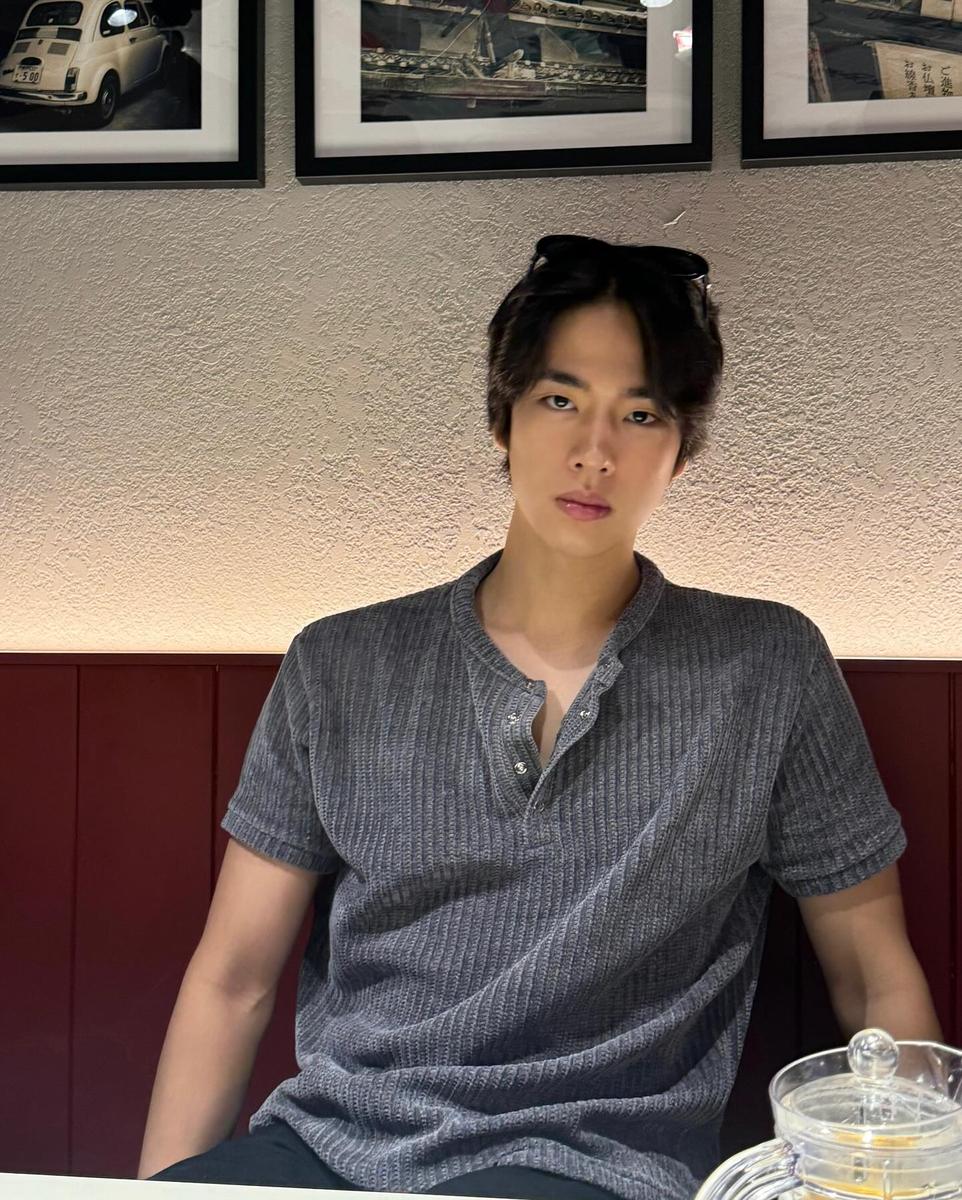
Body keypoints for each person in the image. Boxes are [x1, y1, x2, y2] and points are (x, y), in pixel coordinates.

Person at [138, 235, 932, 1198]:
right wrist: (152, 1193)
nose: (595, 451)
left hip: (590, 1162)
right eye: (560, 401)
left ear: (680, 451)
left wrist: (921, 1172)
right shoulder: (339, 664)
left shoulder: (765, 666)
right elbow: (234, 978)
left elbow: (872, 975)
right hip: (329, 1146)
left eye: (639, 414)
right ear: (503, 419)